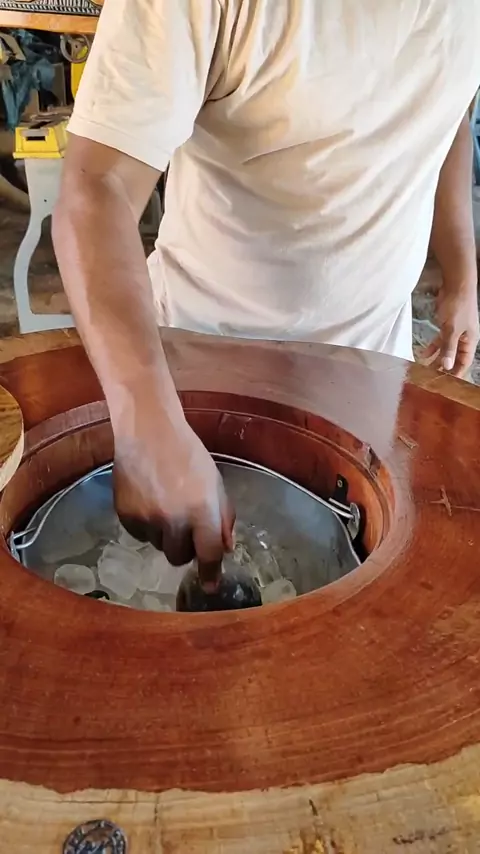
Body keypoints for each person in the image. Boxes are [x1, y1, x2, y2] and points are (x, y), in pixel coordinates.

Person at [52, 0, 480, 570]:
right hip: (200, 393)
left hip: (372, 380)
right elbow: (97, 187)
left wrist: (462, 277)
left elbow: (447, 113)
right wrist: (147, 423)